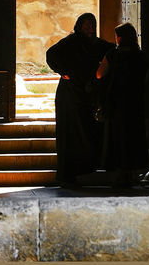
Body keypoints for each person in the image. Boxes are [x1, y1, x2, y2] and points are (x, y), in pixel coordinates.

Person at [46, 12, 112, 186]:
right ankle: (67, 176)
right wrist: (64, 72)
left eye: (93, 25)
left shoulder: (97, 45)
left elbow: (112, 51)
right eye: (87, 25)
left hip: (86, 96)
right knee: (70, 135)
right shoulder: (71, 41)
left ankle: (83, 172)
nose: (90, 29)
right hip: (69, 96)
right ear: (80, 26)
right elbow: (51, 54)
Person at [96, 21, 149, 188]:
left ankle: (120, 175)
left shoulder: (112, 55)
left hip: (116, 103)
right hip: (136, 103)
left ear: (119, 38)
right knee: (135, 137)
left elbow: (99, 74)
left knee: (118, 139)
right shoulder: (141, 56)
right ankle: (133, 174)